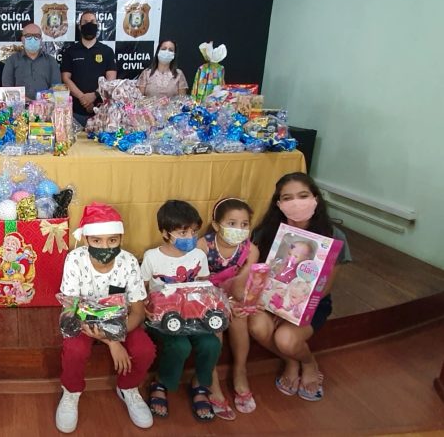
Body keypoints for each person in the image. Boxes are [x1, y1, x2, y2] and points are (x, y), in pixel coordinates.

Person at [248, 172, 352, 402]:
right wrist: (270, 303)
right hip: (270, 300)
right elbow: (257, 274)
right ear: (278, 204)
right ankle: (291, 361)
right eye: (287, 198)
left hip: (310, 303)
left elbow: (325, 288)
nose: (296, 203)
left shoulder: (334, 236)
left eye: (303, 195)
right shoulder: (266, 233)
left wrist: (291, 310)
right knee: (258, 327)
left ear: (316, 198)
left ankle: (308, 362)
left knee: (286, 339)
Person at [56, 202, 154, 433]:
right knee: (75, 350)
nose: (105, 247)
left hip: (121, 320)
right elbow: (69, 310)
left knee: (145, 350)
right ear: (86, 240)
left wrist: (116, 334)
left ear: (121, 238)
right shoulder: (75, 259)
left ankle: (128, 388)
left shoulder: (129, 262)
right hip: (83, 320)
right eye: (97, 241)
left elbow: (138, 311)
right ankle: (71, 391)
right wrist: (112, 342)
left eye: (112, 240)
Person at [141, 200, 220, 422]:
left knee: (211, 344)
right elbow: (141, 288)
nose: (190, 237)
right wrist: (145, 309)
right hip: (163, 317)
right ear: (165, 233)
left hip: (194, 315)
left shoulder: (198, 256)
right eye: (183, 232)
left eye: (194, 231)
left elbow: (204, 286)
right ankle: (161, 382)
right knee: (179, 345)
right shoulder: (152, 257)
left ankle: (200, 383)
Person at [196, 198, 260, 420]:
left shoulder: (250, 250)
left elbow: (241, 285)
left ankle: (240, 371)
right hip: (207, 298)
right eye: (232, 223)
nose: (239, 229)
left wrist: (238, 303)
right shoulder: (203, 245)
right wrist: (222, 303)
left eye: (244, 224)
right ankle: (212, 379)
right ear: (216, 225)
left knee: (239, 318)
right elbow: (198, 282)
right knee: (217, 321)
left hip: (233, 296)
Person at [61, 11, 118, 127]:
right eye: (85, 22)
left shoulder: (107, 51)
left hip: (102, 113)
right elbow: (65, 78)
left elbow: (111, 80)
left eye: (92, 22)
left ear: (97, 25)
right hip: (75, 113)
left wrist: (94, 95)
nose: (89, 24)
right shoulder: (70, 51)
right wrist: (83, 98)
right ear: (80, 26)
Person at [1, 23, 61, 100]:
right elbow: (7, 86)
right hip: (19, 105)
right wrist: (24, 100)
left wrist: (41, 101)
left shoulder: (51, 61)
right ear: (22, 39)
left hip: (46, 105)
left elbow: (56, 87)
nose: (33, 39)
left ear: (41, 40)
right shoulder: (12, 60)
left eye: (36, 36)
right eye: (28, 36)